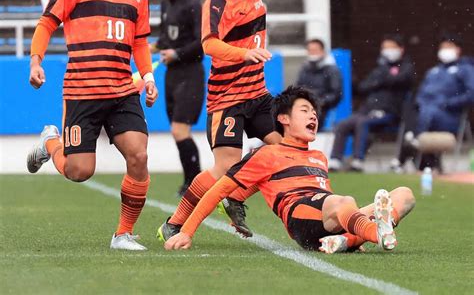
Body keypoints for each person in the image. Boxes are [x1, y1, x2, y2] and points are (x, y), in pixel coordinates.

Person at [26, 0, 158, 251]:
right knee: (79, 171)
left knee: (139, 156)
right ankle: (51, 143)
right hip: (83, 91)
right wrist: (35, 61)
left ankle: (122, 234)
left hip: (122, 91)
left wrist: (147, 77)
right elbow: (46, 23)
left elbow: (140, 41)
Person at [162, 86, 416, 253]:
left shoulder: (318, 156)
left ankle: (347, 240)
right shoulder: (266, 154)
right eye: (305, 111)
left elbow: (326, 201)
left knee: (405, 195)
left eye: (314, 113)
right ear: (283, 119)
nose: (313, 117)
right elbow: (219, 191)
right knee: (343, 201)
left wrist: (343, 220)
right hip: (300, 219)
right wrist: (187, 232)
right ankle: (374, 232)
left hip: (327, 212)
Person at [157, 0, 282, 241]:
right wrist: (244, 53)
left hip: (258, 93)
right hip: (227, 98)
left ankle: (235, 196)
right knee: (225, 167)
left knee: (283, 150)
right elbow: (209, 44)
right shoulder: (215, 2)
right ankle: (174, 223)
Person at [151, 0, 204, 196]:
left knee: (179, 129)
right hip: (171, 74)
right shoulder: (165, 5)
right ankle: (190, 182)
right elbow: (166, 39)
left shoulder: (193, 4)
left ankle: (194, 183)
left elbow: (202, 42)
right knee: (177, 129)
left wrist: (177, 53)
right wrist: (148, 47)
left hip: (190, 73)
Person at [329, 34, 414, 172]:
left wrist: (383, 76)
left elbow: (398, 80)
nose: (388, 51)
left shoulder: (406, 66)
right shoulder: (379, 68)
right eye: (385, 48)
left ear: (401, 49)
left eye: (391, 47)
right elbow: (364, 87)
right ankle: (335, 160)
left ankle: (358, 161)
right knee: (344, 124)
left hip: (390, 113)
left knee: (362, 122)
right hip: (369, 110)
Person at [392, 34, 474, 172]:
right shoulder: (433, 71)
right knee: (410, 106)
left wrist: (448, 103)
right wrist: (421, 102)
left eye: (449, 47)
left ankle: (407, 149)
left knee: (427, 112)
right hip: (426, 113)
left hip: (449, 115)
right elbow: (421, 94)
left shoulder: (466, 69)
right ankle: (417, 145)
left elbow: (471, 94)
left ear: (458, 49)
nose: (445, 50)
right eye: (442, 47)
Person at [296, 38, 342, 127]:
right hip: (305, 104)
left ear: (323, 51)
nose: (312, 53)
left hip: (323, 107)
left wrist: (320, 101)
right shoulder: (305, 68)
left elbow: (336, 94)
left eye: (315, 50)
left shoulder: (332, 70)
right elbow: (298, 87)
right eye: (310, 50)